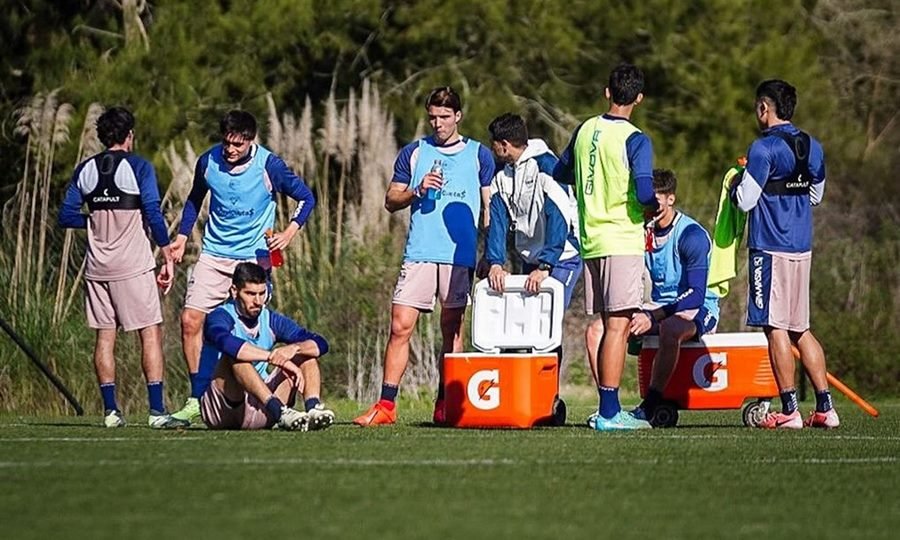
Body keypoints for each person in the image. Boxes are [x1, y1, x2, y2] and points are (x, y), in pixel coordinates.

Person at [353, 86, 494, 426]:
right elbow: (390, 200)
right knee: (400, 326)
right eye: (433, 117)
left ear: (458, 117)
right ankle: (386, 405)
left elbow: (490, 208)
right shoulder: (414, 153)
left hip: (458, 256)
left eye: (445, 117)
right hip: (419, 252)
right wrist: (417, 191)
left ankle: (447, 402)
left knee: (452, 329)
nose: (438, 123)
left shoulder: (479, 154)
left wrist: (491, 253)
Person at [168, 110, 316, 424]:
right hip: (214, 254)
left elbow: (306, 197)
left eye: (238, 144)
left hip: (252, 259)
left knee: (249, 326)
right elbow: (195, 199)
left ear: (250, 141)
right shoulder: (209, 162)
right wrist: (182, 237)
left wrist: (289, 232)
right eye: (227, 143)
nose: (231, 149)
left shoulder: (269, 165)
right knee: (190, 320)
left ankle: (260, 395)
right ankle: (198, 397)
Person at [58, 106, 187, 429]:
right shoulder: (140, 167)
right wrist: (167, 253)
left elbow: (66, 215)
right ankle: (157, 413)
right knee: (150, 334)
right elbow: (154, 214)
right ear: (130, 135)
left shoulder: (85, 169)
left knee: (104, 338)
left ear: (103, 137)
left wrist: (94, 220)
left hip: (97, 268)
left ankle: (111, 413)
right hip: (132, 266)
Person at [554, 63, 659, 431]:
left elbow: (560, 173)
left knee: (606, 324)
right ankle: (611, 413)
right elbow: (646, 191)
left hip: (591, 240)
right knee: (618, 327)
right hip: (621, 238)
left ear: (607, 92)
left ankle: (609, 409)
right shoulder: (636, 139)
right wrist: (652, 206)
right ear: (639, 99)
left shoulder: (585, 130)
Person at [731, 79, 838, 429]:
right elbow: (815, 196)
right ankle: (825, 408)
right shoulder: (813, 145)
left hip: (770, 247)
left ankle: (790, 410)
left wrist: (735, 183)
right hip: (801, 246)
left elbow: (745, 200)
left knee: (774, 327)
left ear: (765, 108)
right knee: (800, 329)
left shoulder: (763, 150)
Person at [484, 113, 582, 417]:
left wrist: (547, 265)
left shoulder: (547, 167)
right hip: (532, 260)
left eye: (494, 145)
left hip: (562, 257)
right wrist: (495, 263)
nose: (492, 150)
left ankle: (549, 400)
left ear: (503, 144)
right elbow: (497, 221)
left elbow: (559, 216)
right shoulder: (502, 176)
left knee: (546, 327)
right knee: (523, 329)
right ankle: (525, 396)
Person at [628, 169, 720, 426]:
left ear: (671, 199)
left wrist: (652, 316)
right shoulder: (643, 231)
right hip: (659, 306)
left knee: (670, 328)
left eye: (656, 202)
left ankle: (650, 405)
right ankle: (608, 406)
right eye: (647, 202)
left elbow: (696, 294)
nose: (651, 208)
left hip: (699, 307)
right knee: (598, 330)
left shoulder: (691, 235)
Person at [199, 262, 332, 431]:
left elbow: (321, 344)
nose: (258, 301)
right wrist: (274, 358)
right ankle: (280, 413)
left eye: (262, 293)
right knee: (235, 357)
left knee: (306, 354)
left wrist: (294, 349)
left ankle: (313, 410)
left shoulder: (270, 319)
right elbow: (227, 343)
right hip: (225, 409)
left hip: (261, 406)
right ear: (234, 291)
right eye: (250, 294)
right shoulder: (219, 316)